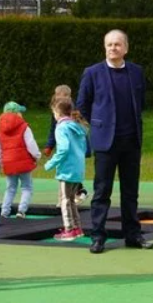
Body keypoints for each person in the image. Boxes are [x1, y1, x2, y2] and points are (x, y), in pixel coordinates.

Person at [77, 29, 153, 253]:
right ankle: (98, 237)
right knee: (102, 191)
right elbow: (82, 104)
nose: (113, 48)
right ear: (105, 47)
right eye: (109, 44)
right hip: (105, 142)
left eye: (117, 44)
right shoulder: (92, 73)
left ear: (126, 48)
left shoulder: (136, 72)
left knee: (131, 191)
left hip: (131, 140)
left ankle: (133, 235)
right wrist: (99, 124)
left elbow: (141, 101)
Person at [45, 98, 88, 241]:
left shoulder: (61, 127)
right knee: (71, 200)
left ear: (58, 112)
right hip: (78, 168)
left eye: (54, 112)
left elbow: (63, 149)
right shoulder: (77, 126)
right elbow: (83, 148)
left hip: (67, 169)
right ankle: (77, 228)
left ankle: (69, 229)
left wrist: (51, 163)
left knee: (65, 200)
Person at [44, 84, 89, 203]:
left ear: (69, 97)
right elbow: (53, 129)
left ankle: (69, 199)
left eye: (64, 96)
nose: (61, 98)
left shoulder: (73, 111)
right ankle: (75, 195)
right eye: (58, 96)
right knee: (68, 171)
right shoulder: (56, 112)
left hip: (74, 150)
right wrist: (49, 145)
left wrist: (84, 150)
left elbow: (81, 132)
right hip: (68, 149)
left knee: (68, 172)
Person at [0, 101, 40, 219]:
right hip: (23, 162)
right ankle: (21, 211)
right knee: (26, 187)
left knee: (10, 188)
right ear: (17, 113)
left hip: (8, 163)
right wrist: (37, 156)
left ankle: (4, 212)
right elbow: (31, 144)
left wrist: (1, 163)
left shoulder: (0, 130)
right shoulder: (24, 127)